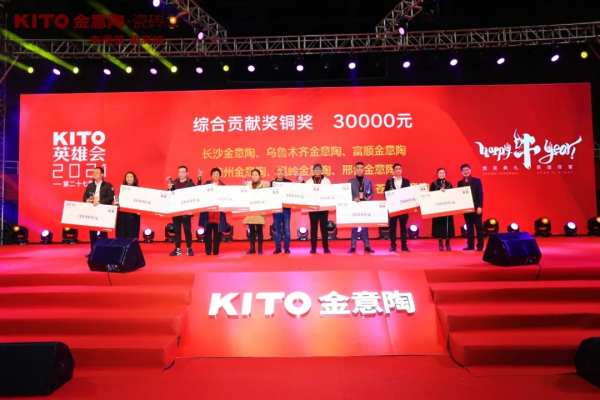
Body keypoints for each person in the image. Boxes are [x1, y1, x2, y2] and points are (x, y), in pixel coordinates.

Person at [299, 163, 331, 254]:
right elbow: (305, 191)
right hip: (312, 208)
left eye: (319, 169)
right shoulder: (309, 182)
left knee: (324, 228)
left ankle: (326, 247)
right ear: (313, 171)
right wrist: (301, 183)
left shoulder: (327, 181)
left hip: (323, 208)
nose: (317, 171)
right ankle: (313, 248)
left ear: (321, 170)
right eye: (316, 169)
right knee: (313, 228)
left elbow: (330, 193)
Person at [83, 167, 114, 257]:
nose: (94, 174)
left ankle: (105, 251)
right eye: (94, 172)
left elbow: (111, 197)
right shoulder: (90, 185)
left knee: (103, 232)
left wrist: (100, 202)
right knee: (92, 233)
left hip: (103, 211)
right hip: (92, 211)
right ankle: (93, 252)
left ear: (102, 175)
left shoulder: (107, 185)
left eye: (97, 172)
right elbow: (84, 196)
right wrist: (86, 200)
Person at [198, 168, 229, 256]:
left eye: (217, 174)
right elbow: (198, 191)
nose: (215, 176)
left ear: (220, 176)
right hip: (208, 213)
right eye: (214, 174)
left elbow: (227, 199)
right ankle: (208, 251)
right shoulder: (207, 185)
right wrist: (199, 180)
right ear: (211, 175)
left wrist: (226, 207)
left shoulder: (223, 187)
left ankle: (216, 251)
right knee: (208, 233)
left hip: (219, 214)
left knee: (217, 233)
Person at [167, 166, 195, 256]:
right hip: (176, 210)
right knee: (177, 230)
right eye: (180, 172)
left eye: (183, 172)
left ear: (187, 173)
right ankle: (177, 249)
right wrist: (169, 189)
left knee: (187, 230)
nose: (181, 174)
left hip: (186, 211)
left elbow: (194, 197)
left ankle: (189, 248)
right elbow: (169, 196)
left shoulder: (190, 184)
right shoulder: (174, 183)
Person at [348, 162, 375, 254]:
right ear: (355, 169)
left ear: (364, 169)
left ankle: (367, 246)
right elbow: (348, 193)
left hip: (365, 205)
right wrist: (353, 198)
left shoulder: (368, 181)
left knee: (365, 227)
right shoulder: (350, 181)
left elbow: (371, 193)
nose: (359, 170)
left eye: (361, 168)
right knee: (354, 227)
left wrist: (369, 197)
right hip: (355, 205)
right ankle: (353, 246)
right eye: (358, 168)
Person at [384, 163, 411, 252]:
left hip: (403, 207)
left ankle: (404, 246)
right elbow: (385, 193)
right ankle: (393, 245)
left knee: (403, 227)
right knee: (393, 228)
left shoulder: (406, 181)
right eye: (396, 169)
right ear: (393, 171)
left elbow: (409, 193)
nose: (398, 170)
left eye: (400, 169)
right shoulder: (389, 181)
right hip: (393, 208)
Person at [458, 164, 484, 251]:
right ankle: (470, 245)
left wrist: (480, 206)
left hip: (476, 208)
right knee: (469, 228)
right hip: (466, 208)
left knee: (479, 227)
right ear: (461, 172)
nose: (466, 171)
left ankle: (480, 245)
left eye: (467, 169)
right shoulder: (460, 183)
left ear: (470, 170)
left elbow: (480, 194)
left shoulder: (476, 181)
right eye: (464, 170)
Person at [243, 169, 270, 255]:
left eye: (256, 175)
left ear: (259, 176)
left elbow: (269, 185)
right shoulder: (247, 186)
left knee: (259, 230)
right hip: (250, 210)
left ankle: (260, 249)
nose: (254, 176)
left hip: (260, 210)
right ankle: (252, 248)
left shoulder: (263, 185)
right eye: (253, 175)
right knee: (251, 230)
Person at [430, 168, 456, 251]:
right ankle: (440, 242)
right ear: (437, 174)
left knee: (448, 225)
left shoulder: (449, 184)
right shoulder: (434, 184)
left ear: (445, 174)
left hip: (448, 207)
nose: (441, 174)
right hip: (438, 208)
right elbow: (431, 195)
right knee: (439, 225)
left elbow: (453, 194)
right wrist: (439, 191)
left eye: (443, 173)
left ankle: (447, 243)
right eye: (440, 173)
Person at [270, 167, 292, 254]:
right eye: (278, 172)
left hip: (286, 209)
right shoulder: (272, 183)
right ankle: (278, 247)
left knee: (286, 229)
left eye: (281, 172)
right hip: (276, 210)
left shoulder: (289, 183)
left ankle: (286, 247)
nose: (280, 173)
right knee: (277, 229)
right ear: (275, 173)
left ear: (284, 173)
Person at [115, 171, 141, 240]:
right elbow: (119, 199)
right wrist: (117, 203)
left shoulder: (138, 189)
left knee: (131, 232)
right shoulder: (122, 188)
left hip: (133, 214)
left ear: (134, 178)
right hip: (122, 214)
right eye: (127, 177)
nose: (129, 178)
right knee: (121, 232)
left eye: (131, 177)